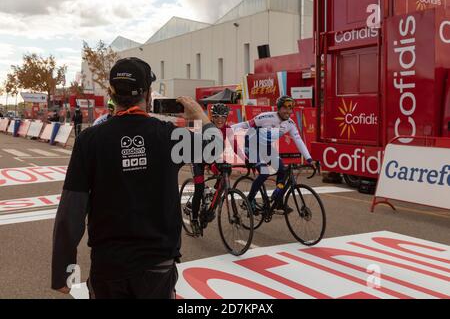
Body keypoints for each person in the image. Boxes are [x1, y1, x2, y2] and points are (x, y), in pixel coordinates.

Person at [51, 57, 219, 299]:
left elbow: (71, 210)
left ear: (111, 93)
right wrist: (198, 115)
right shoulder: (169, 137)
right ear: (148, 94)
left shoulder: (90, 140)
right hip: (157, 267)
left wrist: (64, 271)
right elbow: (214, 147)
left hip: (109, 267)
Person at [232, 95, 318, 213]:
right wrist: (226, 130)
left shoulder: (290, 124)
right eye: (285, 108)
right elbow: (245, 124)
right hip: (251, 145)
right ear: (278, 108)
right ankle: (249, 200)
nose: (288, 111)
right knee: (264, 173)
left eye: (290, 108)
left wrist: (309, 159)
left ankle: (278, 200)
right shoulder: (265, 117)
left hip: (265, 147)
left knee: (282, 170)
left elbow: (298, 140)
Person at [188, 103, 244, 236]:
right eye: (217, 116)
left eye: (223, 117)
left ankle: (213, 195)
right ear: (211, 117)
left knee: (226, 170)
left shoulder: (227, 129)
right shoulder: (205, 127)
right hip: (198, 158)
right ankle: (194, 220)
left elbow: (236, 147)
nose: (220, 119)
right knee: (199, 189)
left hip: (213, 157)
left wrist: (248, 160)